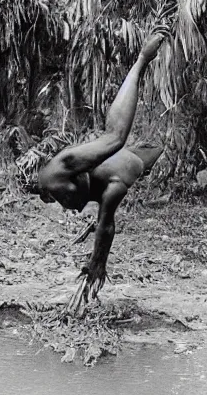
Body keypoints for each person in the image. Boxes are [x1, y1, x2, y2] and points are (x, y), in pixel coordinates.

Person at [37, 29, 168, 315]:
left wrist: (143, 59)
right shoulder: (94, 177)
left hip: (122, 160)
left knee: (116, 139)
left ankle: (141, 61)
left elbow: (106, 224)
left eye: (61, 199)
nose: (67, 209)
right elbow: (105, 224)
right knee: (121, 147)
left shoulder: (112, 182)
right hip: (123, 161)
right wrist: (97, 258)